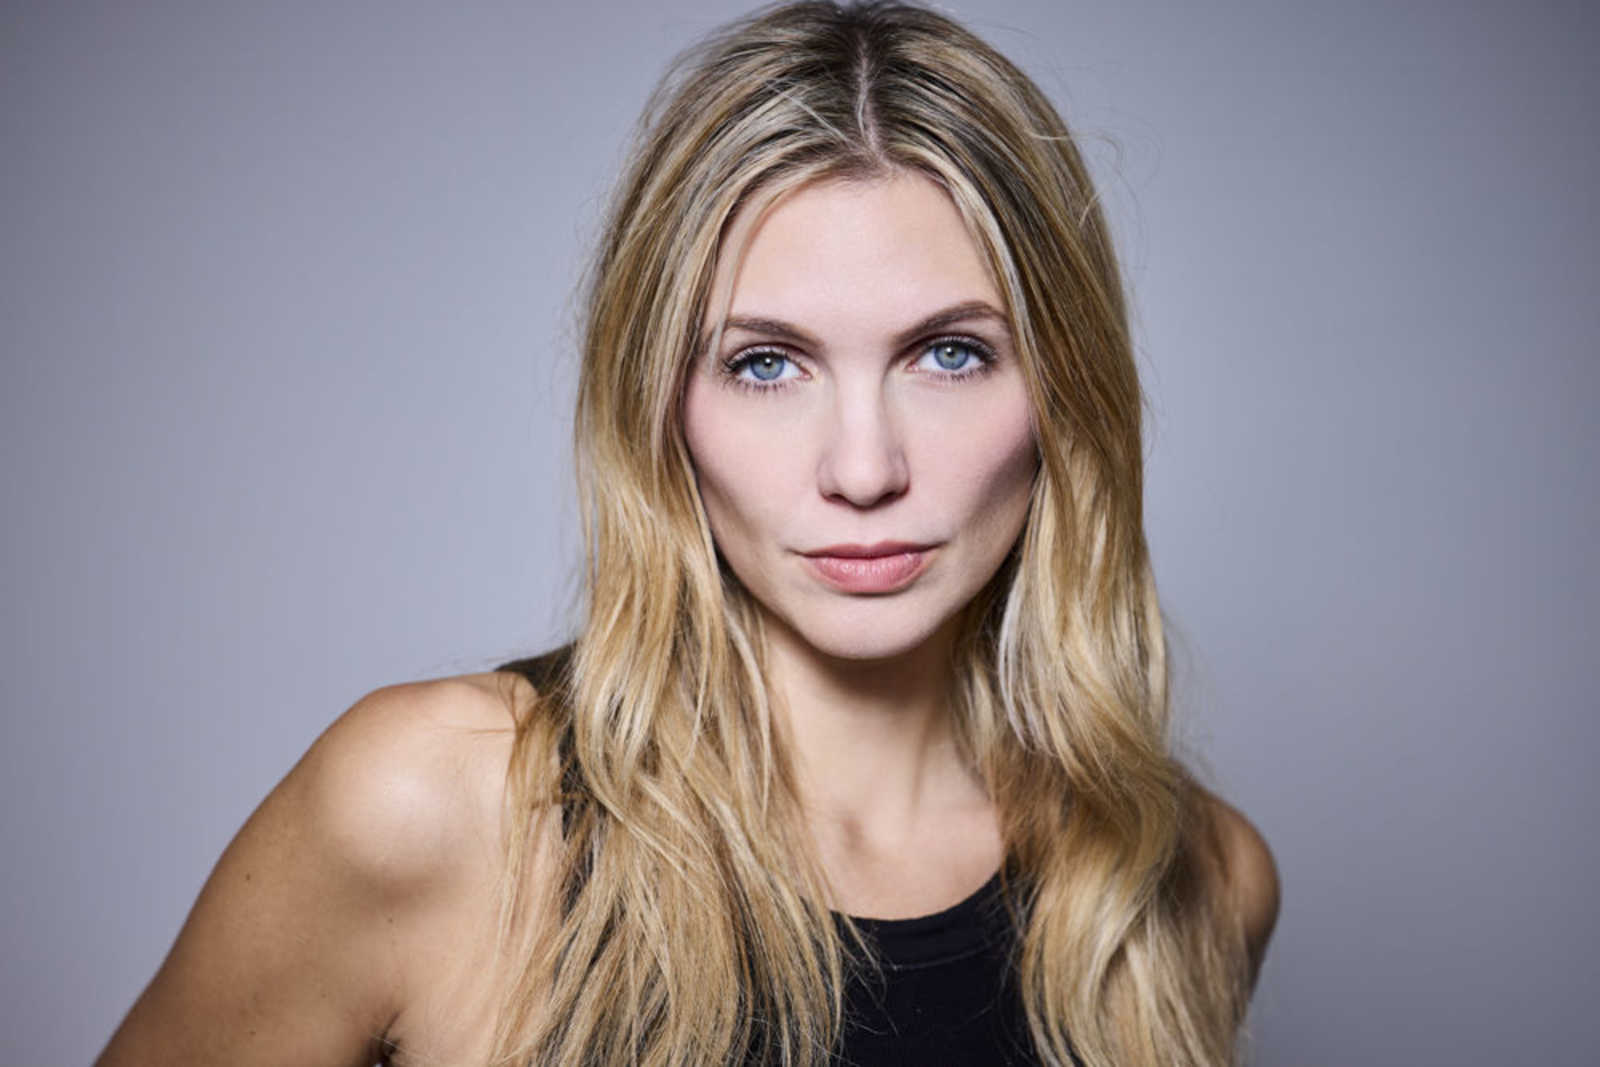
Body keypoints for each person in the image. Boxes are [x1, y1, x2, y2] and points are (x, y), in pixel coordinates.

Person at [96, 2, 1279, 1064]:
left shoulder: (1194, 884)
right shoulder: (434, 806)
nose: (863, 469)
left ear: (1067, 391)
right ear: (659, 402)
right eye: (765, 363)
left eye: (949, 353)